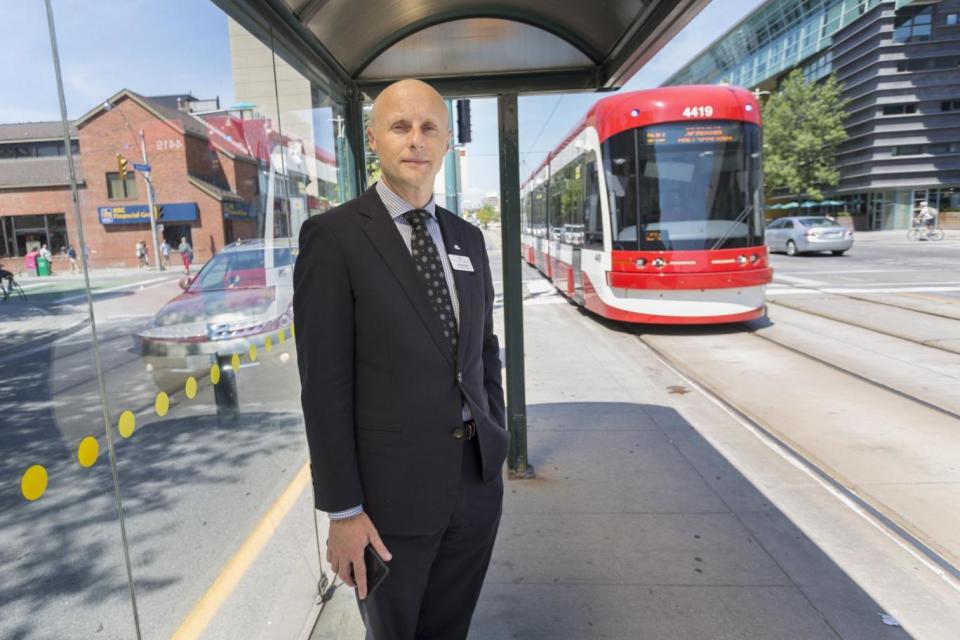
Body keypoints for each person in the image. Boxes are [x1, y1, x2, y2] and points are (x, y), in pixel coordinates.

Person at [292, 78, 506, 640]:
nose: (416, 139)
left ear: (445, 144)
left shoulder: (468, 239)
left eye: (429, 126)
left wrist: (496, 441)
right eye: (400, 126)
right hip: (387, 506)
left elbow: (483, 355)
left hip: (474, 488)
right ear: (373, 140)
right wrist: (342, 511)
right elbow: (324, 387)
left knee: (449, 629)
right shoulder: (333, 238)